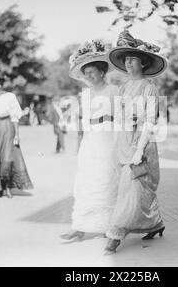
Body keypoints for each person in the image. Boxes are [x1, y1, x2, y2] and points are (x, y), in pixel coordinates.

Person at [104, 30, 166, 254]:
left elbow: (150, 121)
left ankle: (115, 235)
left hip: (142, 140)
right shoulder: (123, 88)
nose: (129, 64)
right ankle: (155, 223)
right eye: (126, 60)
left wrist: (139, 149)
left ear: (143, 63)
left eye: (133, 60)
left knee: (133, 185)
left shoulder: (149, 88)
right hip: (124, 141)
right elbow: (119, 119)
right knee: (134, 189)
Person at [60, 39, 119, 240]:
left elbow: (120, 121)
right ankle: (79, 226)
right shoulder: (85, 95)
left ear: (102, 71)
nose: (89, 76)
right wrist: (80, 146)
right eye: (86, 73)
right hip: (90, 141)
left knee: (106, 181)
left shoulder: (113, 92)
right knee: (85, 183)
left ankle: (108, 226)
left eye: (92, 72)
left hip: (108, 140)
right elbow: (82, 125)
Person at [0, 72, 33, 198]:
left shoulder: (10, 96)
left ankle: (7, 187)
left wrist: (17, 135)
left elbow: (15, 117)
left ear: (3, 84)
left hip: (7, 127)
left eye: (0, 83)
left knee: (7, 159)